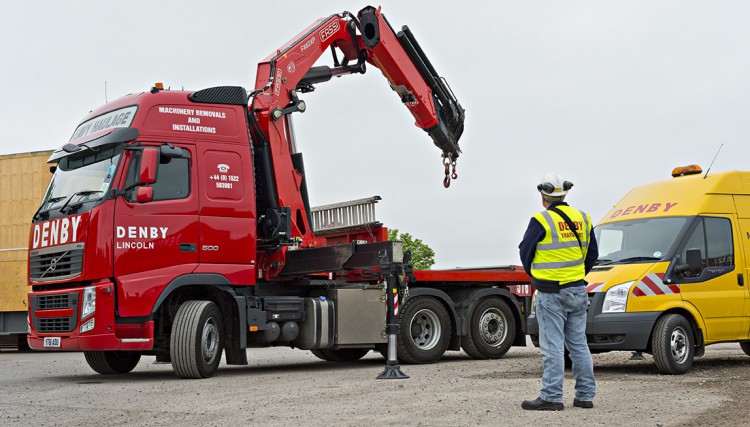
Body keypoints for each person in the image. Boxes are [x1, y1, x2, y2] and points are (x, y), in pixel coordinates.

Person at [519, 172, 598, 411]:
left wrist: (537, 277)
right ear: (564, 194)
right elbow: (592, 254)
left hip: (551, 293)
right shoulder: (583, 218)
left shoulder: (540, 220)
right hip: (577, 291)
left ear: (544, 197)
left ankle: (552, 397)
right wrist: (575, 275)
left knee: (553, 346)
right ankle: (585, 396)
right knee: (578, 345)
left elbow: (525, 252)